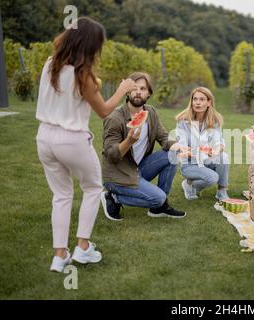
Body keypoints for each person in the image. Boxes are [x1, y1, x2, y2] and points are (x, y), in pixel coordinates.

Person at [36, 17, 137, 272]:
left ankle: (59, 255)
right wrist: (122, 89)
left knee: (61, 195)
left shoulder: (50, 66)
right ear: (91, 46)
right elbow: (104, 111)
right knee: (92, 188)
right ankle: (83, 247)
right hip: (72, 140)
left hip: (44, 138)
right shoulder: (84, 75)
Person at [101, 72, 188, 221]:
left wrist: (178, 146)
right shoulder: (115, 118)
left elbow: (163, 136)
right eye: (134, 88)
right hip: (118, 175)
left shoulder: (151, 112)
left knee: (172, 155)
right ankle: (113, 197)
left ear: (149, 93)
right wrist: (128, 141)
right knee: (158, 197)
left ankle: (159, 208)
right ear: (127, 91)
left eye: (142, 89)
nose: (138, 92)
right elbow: (111, 155)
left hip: (137, 169)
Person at [175, 87, 230, 201]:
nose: (198, 102)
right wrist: (190, 151)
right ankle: (189, 184)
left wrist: (214, 151)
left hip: (205, 160)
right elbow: (182, 146)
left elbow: (219, 142)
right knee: (212, 178)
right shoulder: (183, 121)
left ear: (209, 102)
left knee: (223, 157)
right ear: (192, 101)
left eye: (202, 99)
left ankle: (222, 191)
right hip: (190, 164)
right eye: (195, 99)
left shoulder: (214, 121)